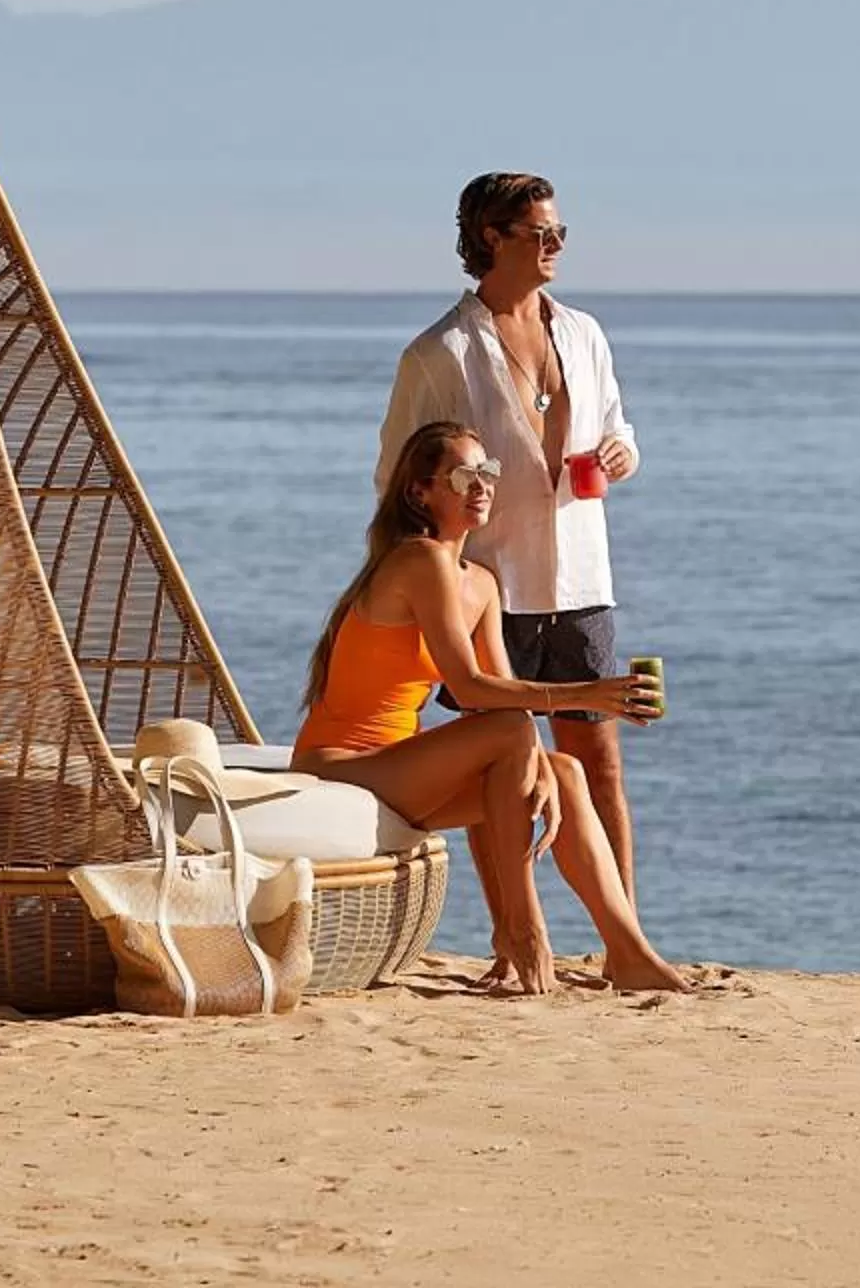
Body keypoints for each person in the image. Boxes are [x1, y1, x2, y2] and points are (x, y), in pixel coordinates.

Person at [293, 419, 685, 995]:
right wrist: (589, 694)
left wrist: (538, 766)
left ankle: (628, 952)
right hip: (342, 764)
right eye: (463, 475)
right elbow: (472, 690)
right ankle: (521, 928)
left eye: (487, 473)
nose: (481, 486)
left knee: (567, 772)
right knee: (512, 732)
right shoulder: (418, 562)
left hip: (401, 770)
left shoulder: (480, 582)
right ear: (420, 492)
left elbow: (498, 697)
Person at [372, 173, 650, 903]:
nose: (556, 244)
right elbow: (396, 474)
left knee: (598, 762)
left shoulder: (583, 333)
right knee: (504, 769)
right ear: (492, 239)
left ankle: (622, 937)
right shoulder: (440, 353)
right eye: (541, 233)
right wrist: (428, 576)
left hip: (583, 578)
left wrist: (623, 451)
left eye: (560, 232)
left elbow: (616, 425)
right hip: (492, 585)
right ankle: (514, 936)